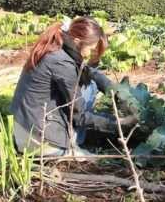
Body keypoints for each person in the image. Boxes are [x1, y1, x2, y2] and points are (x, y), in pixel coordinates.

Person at [10, 16, 136, 157]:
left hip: (24, 127)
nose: (90, 54)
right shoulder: (62, 63)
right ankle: (73, 144)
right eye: (91, 49)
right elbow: (79, 116)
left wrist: (116, 91)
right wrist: (118, 123)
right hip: (41, 140)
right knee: (88, 89)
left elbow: (89, 70)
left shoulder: (57, 46)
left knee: (91, 85)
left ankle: (73, 137)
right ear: (77, 41)